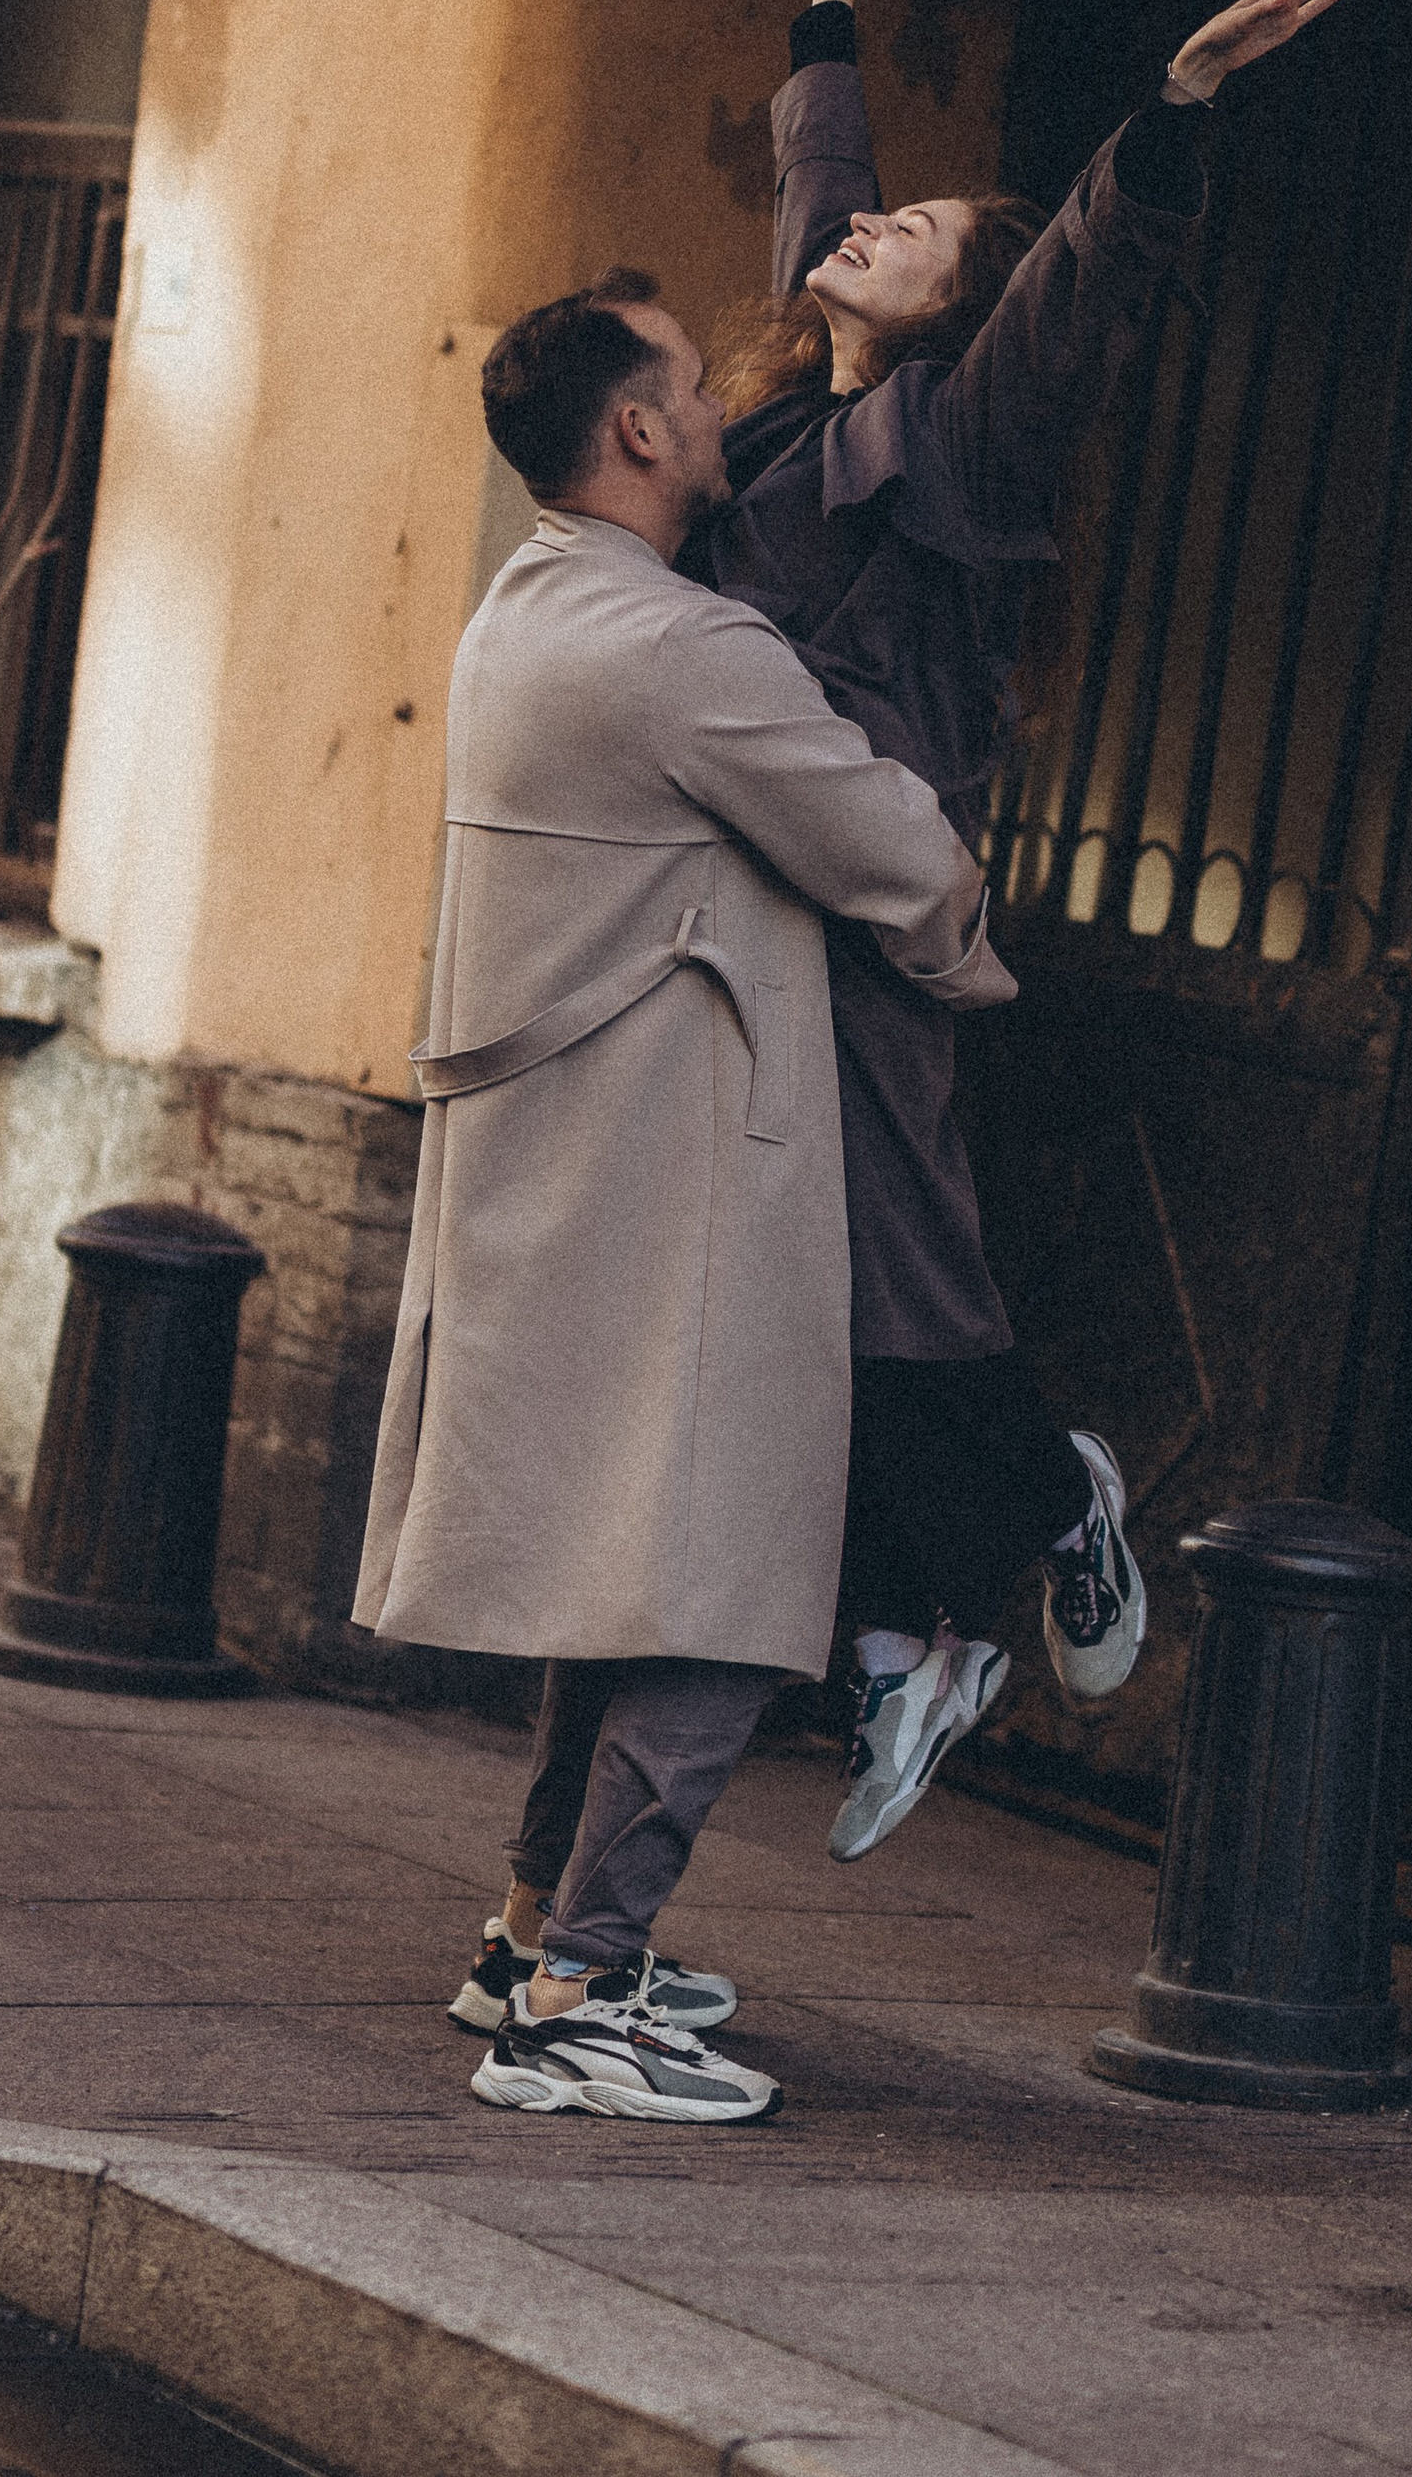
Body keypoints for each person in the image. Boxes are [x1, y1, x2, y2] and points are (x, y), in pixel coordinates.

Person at [694, 0, 1356, 1857]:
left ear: (957, 314)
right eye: (875, 214)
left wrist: (1173, 104)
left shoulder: (958, 445)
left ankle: (1034, 1518)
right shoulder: (802, 413)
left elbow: (1074, 296)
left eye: (916, 238)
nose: (868, 226)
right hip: (744, 910)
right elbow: (820, 207)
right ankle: (907, 1631)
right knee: (791, 1290)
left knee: (884, 1266)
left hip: (871, 914)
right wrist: (825, 14)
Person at [354, 268, 1014, 2126]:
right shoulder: (680, 650)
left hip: (581, 1177)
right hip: (680, 1185)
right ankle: (581, 1993)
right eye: (695, 387)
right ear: (637, 430)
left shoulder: (529, 606)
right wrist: (973, 947)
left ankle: (528, 1934)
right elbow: (890, 848)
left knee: (621, 1577)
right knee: (724, 1587)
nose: (731, 405)